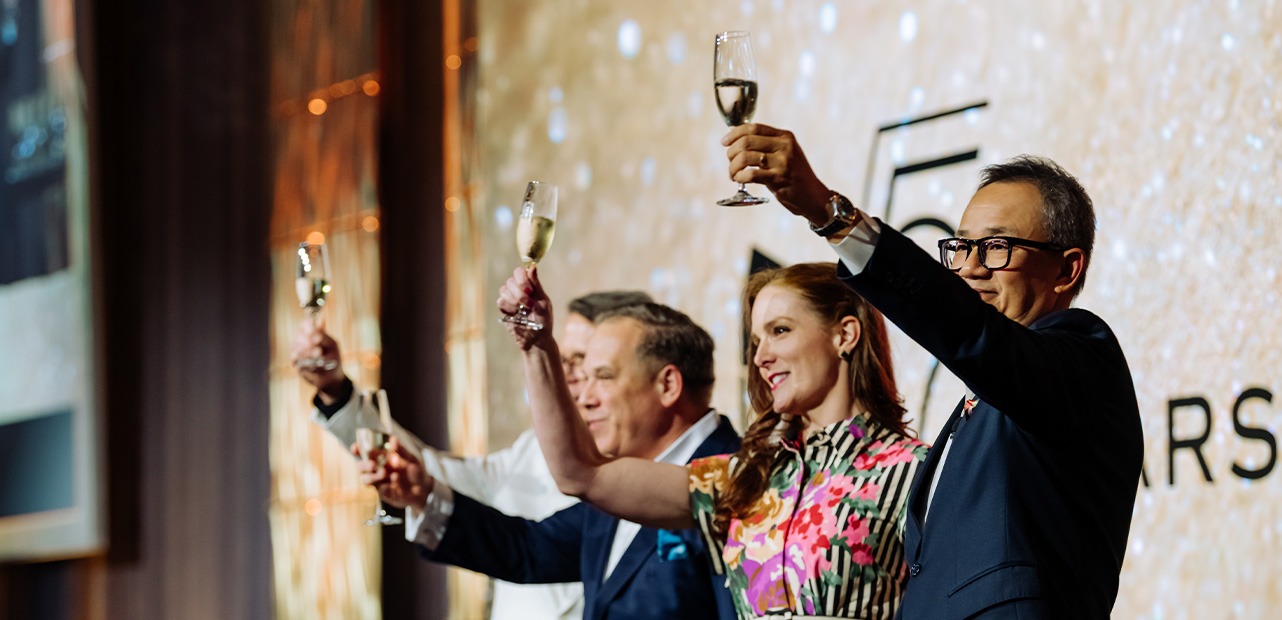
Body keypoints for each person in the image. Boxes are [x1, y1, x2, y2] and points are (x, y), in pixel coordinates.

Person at [721, 123, 1144, 618]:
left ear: (1067, 269)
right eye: (961, 247)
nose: (970, 268)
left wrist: (829, 214)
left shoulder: (1082, 359)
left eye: (995, 247)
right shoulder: (983, 404)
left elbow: (972, 334)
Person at [494, 263, 928, 619]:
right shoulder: (749, 478)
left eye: (780, 331)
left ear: (844, 334)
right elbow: (580, 473)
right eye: (756, 341)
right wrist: (537, 346)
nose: (760, 357)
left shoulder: (915, 472)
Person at [364, 298, 741, 620]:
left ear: (668, 385)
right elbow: (528, 550)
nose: (585, 397)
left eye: (604, 377)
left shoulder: (742, 483)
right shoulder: (614, 483)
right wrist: (424, 495)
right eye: (584, 377)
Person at [293, 290, 652, 620]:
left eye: (585, 362)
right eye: (564, 359)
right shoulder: (532, 449)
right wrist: (336, 392)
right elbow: (434, 474)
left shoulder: (658, 476)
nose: (570, 375)